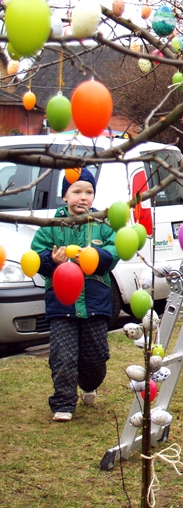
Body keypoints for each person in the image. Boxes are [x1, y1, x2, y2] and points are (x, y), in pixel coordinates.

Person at [30, 168, 120, 421]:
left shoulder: (102, 224)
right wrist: (51, 260)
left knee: (96, 356)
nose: (83, 197)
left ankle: (89, 384)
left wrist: (94, 257)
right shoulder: (51, 227)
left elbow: (113, 253)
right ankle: (63, 403)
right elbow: (37, 257)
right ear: (64, 196)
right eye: (77, 191)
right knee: (63, 355)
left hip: (95, 302)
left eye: (88, 192)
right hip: (61, 303)